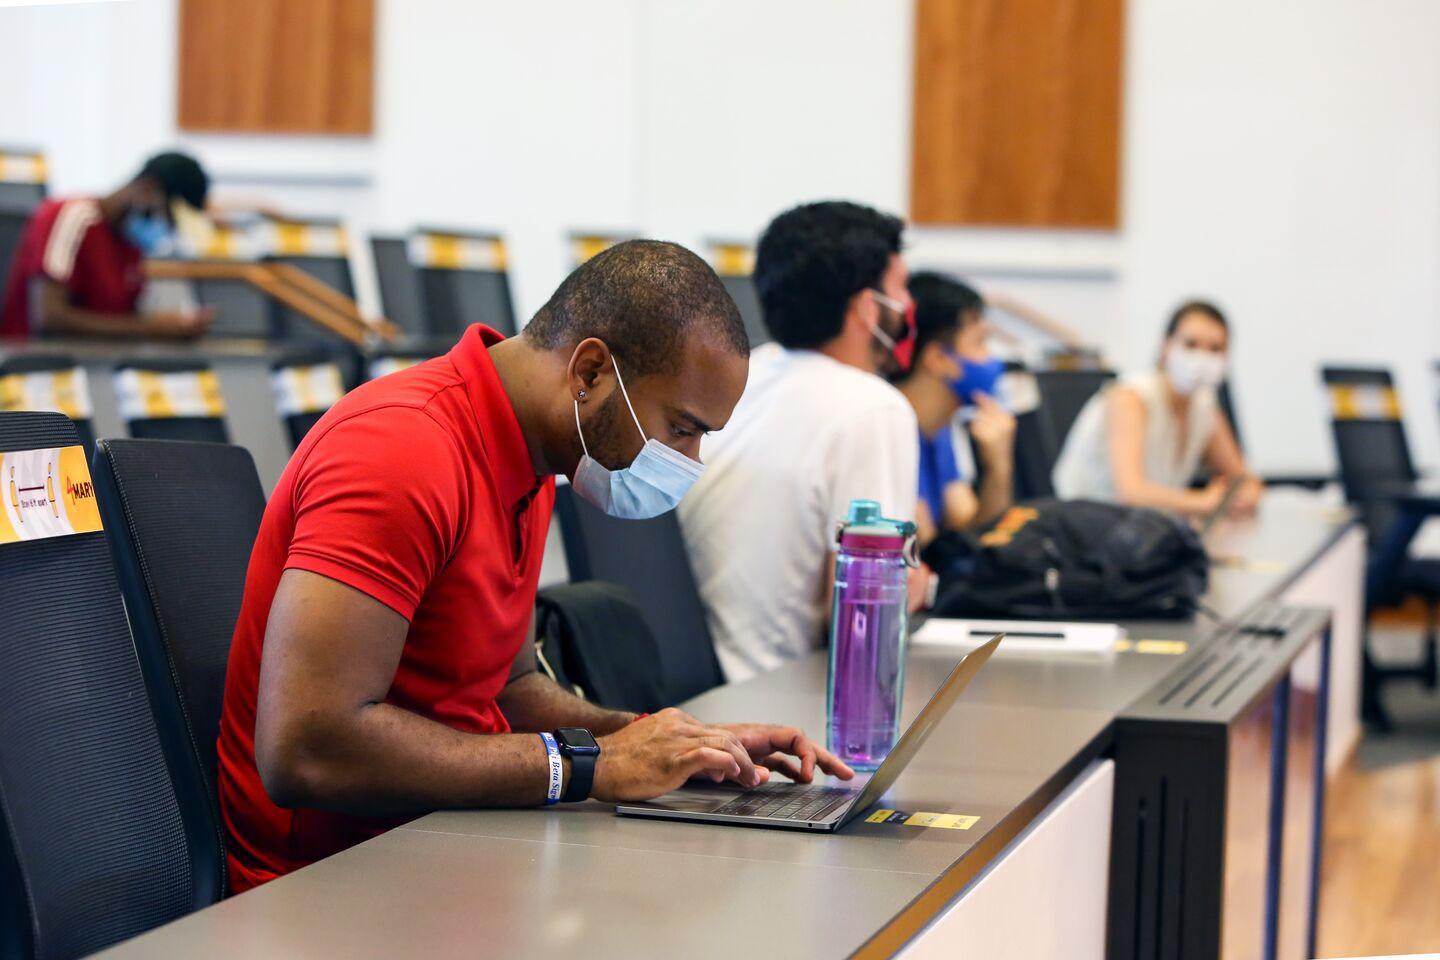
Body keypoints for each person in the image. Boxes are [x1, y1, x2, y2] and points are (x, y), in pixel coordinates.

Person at [217, 240, 853, 892]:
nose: (688, 459)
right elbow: (308, 748)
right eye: (681, 428)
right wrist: (588, 763)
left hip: (450, 841)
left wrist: (669, 743)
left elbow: (507, 689)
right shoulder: (400, 450)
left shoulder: (533, 456)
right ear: (590, 373)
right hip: (329, 886)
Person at [678, 201, 921, 683]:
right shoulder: (873, 406)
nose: (909, 305)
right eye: (901, 289)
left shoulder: (741, 376)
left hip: (698, 697)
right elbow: (861, 622)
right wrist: (916, 585)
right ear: (869, 308)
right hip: (782, 703)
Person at [1051, 300, 1261, 518]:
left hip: (1148, 529)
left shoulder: (1203, 405)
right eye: (1191, 344)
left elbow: (1242, 477)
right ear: (1166, 346)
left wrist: (1247, 493)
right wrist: (1205, 501)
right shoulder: (1130, 397)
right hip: (1088, 528)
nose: (1202, 357)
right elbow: (1131, 493)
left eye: (1215, 348)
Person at [0, 150, 214, 340]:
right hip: (36, 366)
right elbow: (50, 317)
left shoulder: (130, 244)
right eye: (168, 219)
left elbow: (119, 319)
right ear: (148, 190)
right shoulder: (73, 217)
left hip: (98, 365)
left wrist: (171, 325)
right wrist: (151, 327)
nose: (166, 230)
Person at [893, 273, 1015, 546]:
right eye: (979, 343)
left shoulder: (939, 431)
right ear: (938, 359)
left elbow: (976, 531)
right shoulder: (892, 428)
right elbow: (923, 544)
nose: (991, 360)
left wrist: (998, 466)